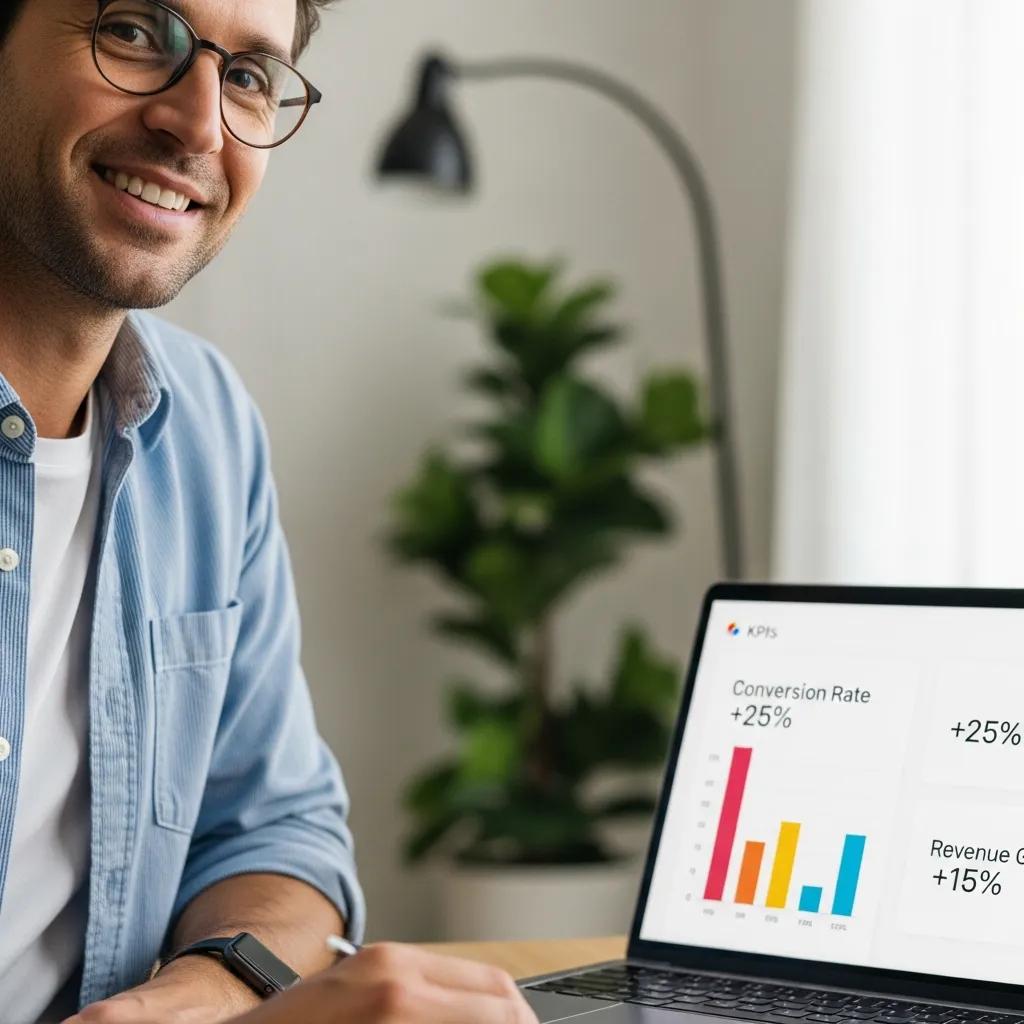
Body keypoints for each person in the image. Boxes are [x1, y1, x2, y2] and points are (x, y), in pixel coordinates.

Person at [0, 1, 535, 1022]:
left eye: (247, 77)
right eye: (134, 32)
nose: (198, 124)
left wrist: (188, 1003)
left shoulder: (205, 428)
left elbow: (276, 835)